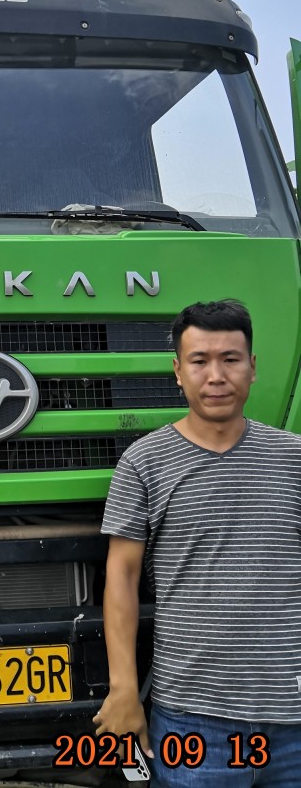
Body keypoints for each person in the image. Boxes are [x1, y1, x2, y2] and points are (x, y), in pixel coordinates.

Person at [93, 299, 301, 786]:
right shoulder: (144, 463)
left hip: (294, 717)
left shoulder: (294, 458)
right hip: (194, 719)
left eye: (230, 359)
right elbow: (121, 577)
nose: (216, 376)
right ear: (178, 372)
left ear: (253, 367)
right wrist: (123, 690)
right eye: (200, 361)